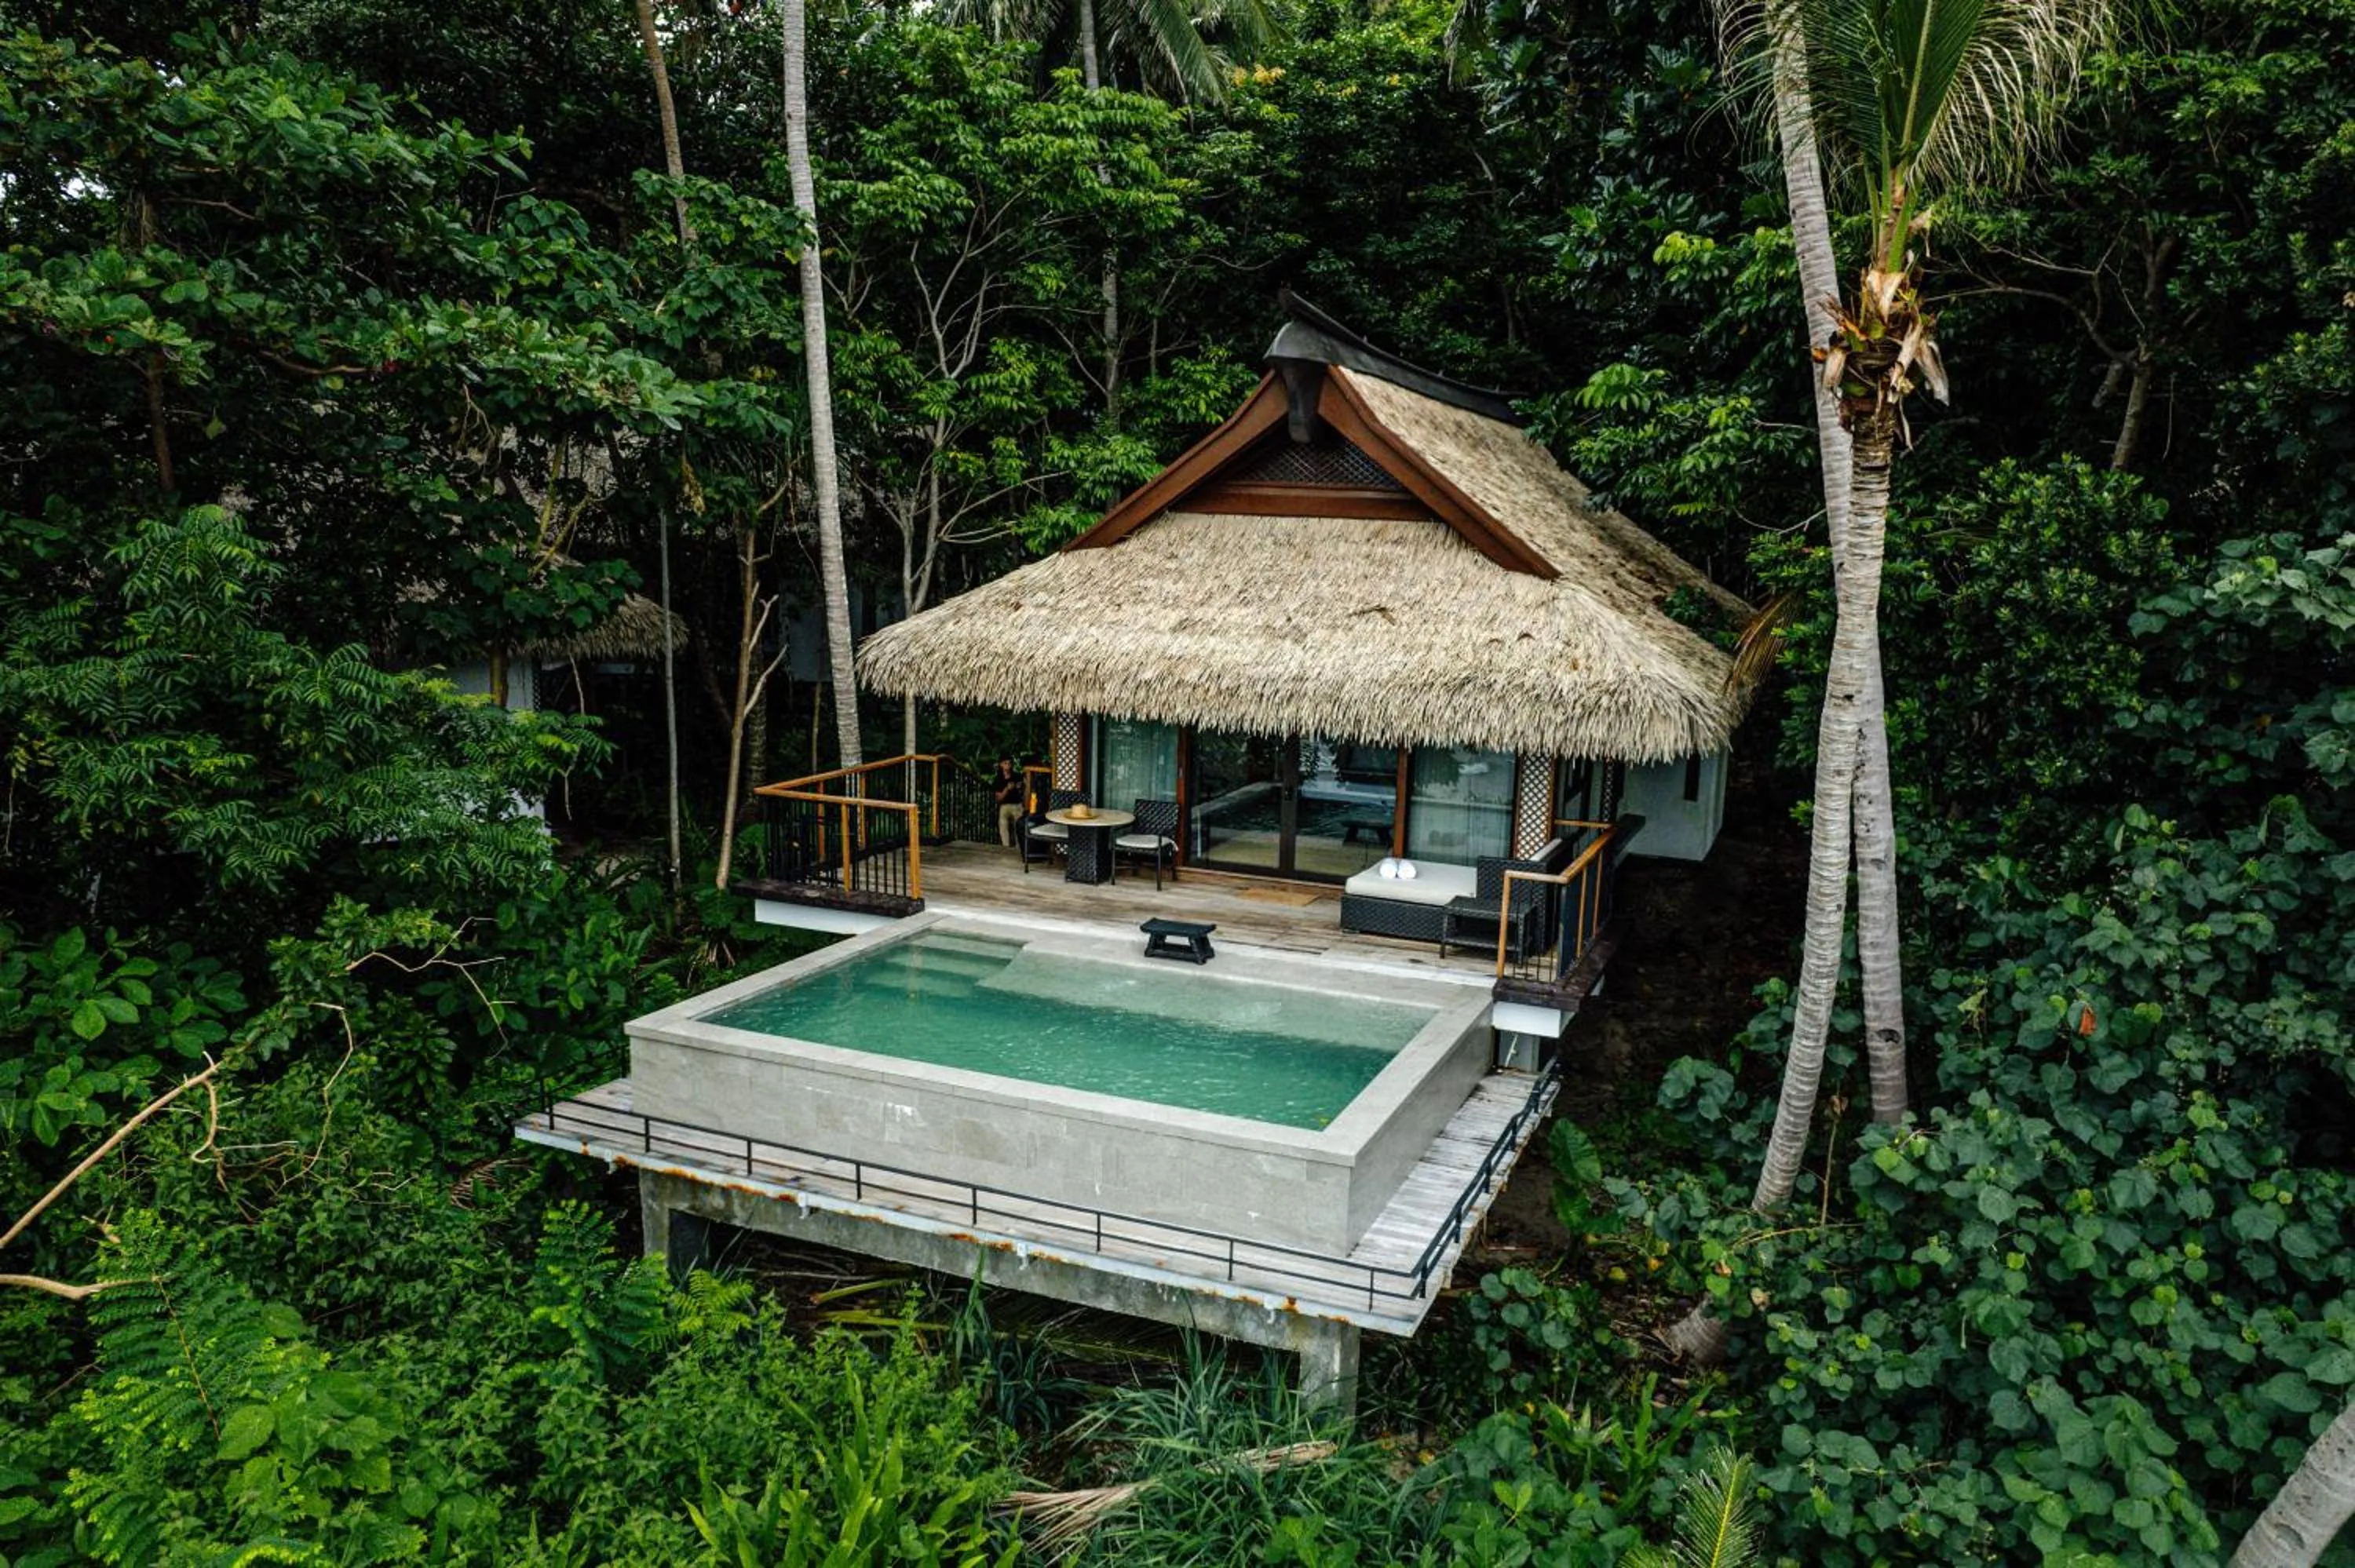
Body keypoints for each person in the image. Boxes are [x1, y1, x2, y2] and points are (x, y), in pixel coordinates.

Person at [991, 757, 1026, 848]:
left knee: (1019, 826)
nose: (1008, 765)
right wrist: (1007, 789)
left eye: (1009, 763)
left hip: (1017, 804)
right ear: (1001, 765)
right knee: (1003, 824)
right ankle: (1005, 846)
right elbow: (998, 798)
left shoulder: (1016, 776)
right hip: (1005, 806)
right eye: (1005, 763)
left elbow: (1024, 786)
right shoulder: (998, 779)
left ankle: (1019, 847)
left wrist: (1020, 787)